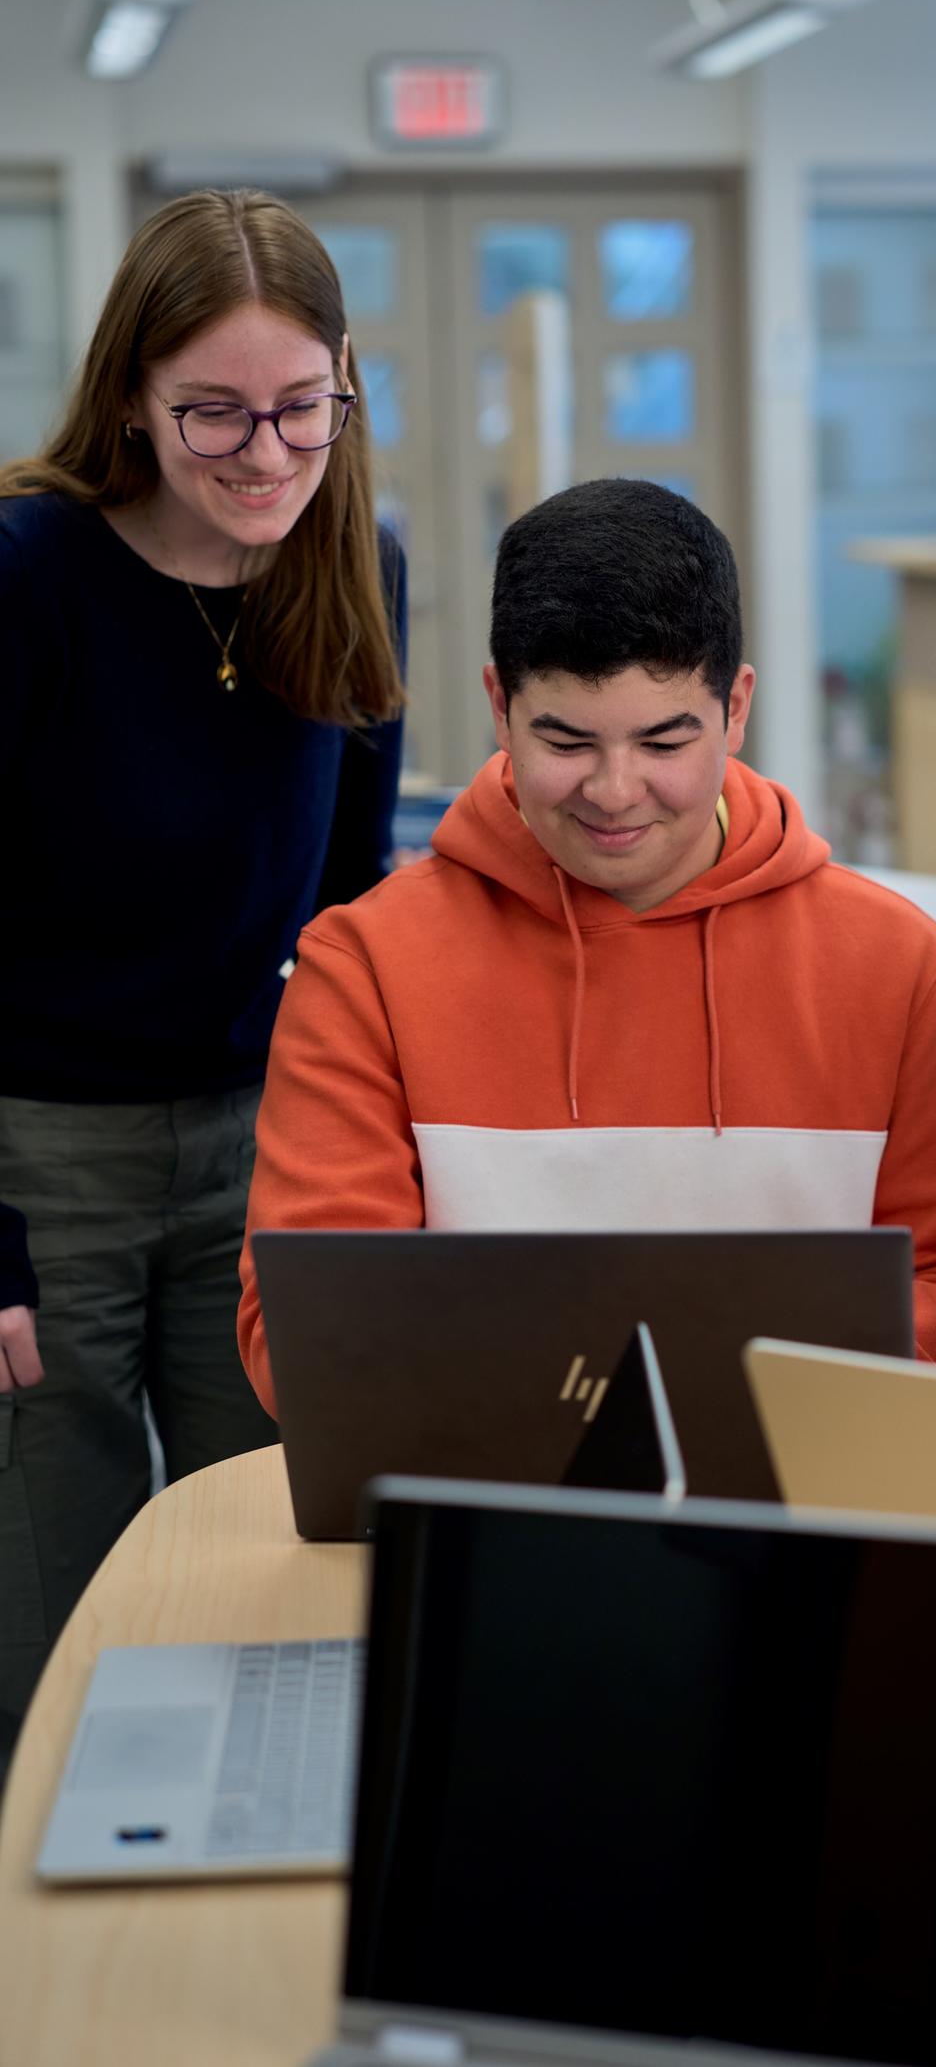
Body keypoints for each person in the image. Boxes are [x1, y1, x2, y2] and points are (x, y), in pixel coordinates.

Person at [237, 477, 936, 1411]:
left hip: (800, 1498)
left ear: (736, 709)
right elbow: (307, 1327)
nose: (615, 793)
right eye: (566, 741)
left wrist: (730, 1385)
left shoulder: (899, 965)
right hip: (485, 1499)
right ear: (500, 705)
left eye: (664, 742)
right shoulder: (363, 967)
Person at [0, 188, 406, 1772]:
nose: (263, 456)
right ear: (129, 396)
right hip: (44, 1155)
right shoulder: (31, 570)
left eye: (302, 410)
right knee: (63, 1586)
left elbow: (357, 898)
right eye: (213, 414)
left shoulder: (349, 556)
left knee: (272, 1548)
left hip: (266, 1137)